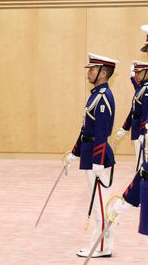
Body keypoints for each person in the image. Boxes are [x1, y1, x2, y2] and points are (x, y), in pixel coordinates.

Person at [66, 53, 117, 258]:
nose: (89, 72)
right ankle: (101, 243)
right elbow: (87, 128)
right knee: (97, 203)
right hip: (91, 155)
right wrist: (75, 152)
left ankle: (102, 246)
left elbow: (102, 132)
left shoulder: (103, 97)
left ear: (103, 73)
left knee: (100, 206)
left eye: (93, 69)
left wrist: (97, 161)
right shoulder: (95, 94)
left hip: (99, 158)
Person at [115, 61, 148, 171]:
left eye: (139, 73)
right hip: (137, 130)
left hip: (141, 131)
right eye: (135, 73)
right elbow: (133, 111)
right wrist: (125, 128)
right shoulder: (141, 88)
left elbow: (146, 113)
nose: (136, 75)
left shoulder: (146, 89)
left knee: (142, 164)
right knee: (139, 163)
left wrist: (143, 133)